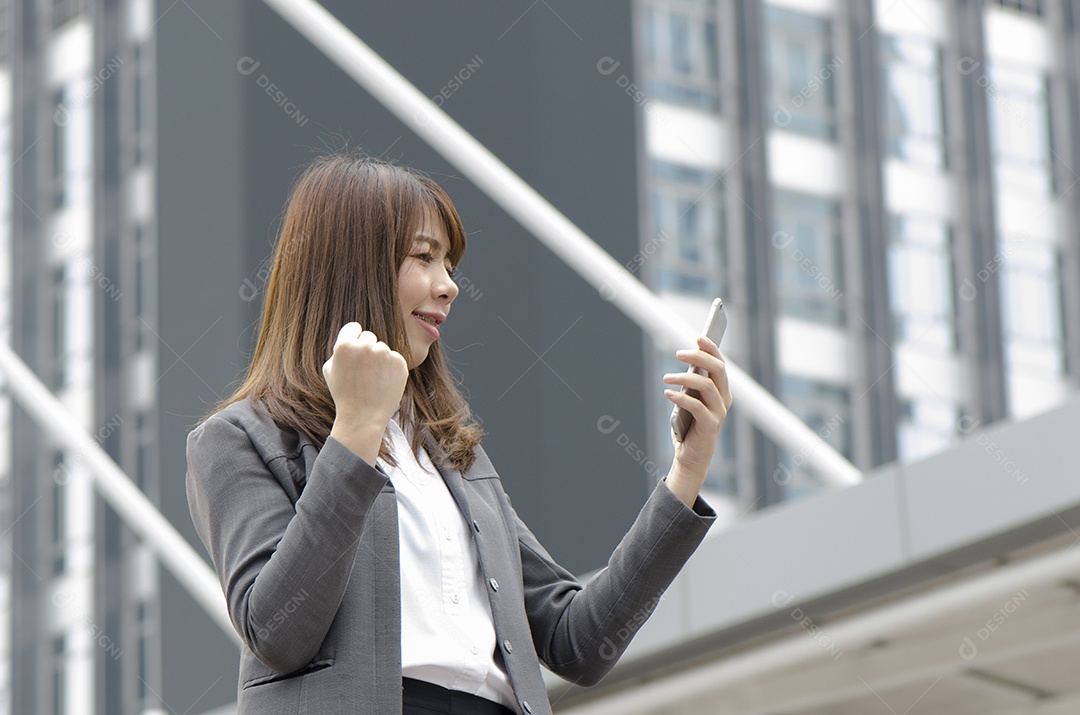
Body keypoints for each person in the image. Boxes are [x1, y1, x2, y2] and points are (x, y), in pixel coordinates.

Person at [185, 152, 732, 715]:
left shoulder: (451, 457)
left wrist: (685, 472)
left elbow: (579, 643)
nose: (448, 287)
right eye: (424, 257)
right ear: (352, 266)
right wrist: (354, 432)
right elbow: (278, 631)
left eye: (449, 265)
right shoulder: (237, 440)